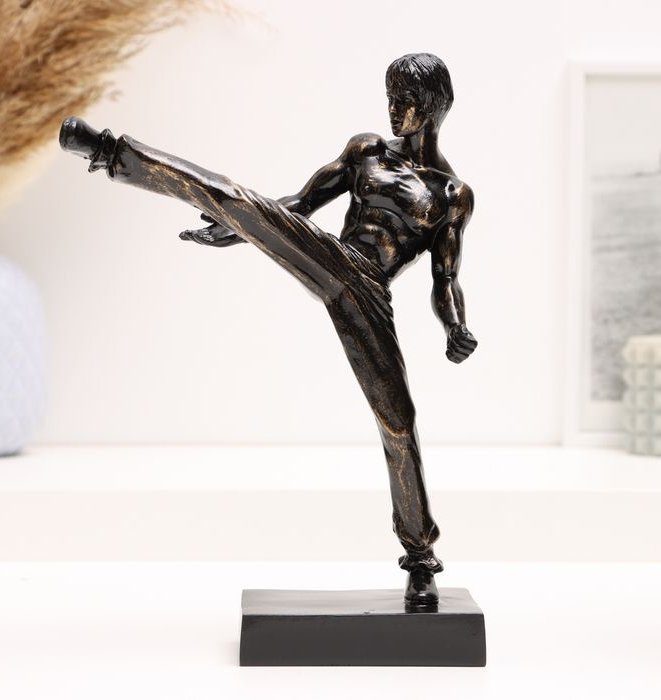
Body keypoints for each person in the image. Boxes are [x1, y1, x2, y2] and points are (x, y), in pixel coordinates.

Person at [59, 52, 477, 609]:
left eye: (403, 100)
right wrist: (243, 228)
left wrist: (455, 327)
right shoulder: (367, 151)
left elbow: (445, 278)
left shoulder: (450, 195)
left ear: (430, 106)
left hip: (371, 295)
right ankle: (111, 152)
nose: (392, 109)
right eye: (389, 97)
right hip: (333, 257)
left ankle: (420, 559)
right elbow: (301, 204)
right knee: (238, 199)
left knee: (399, 423)